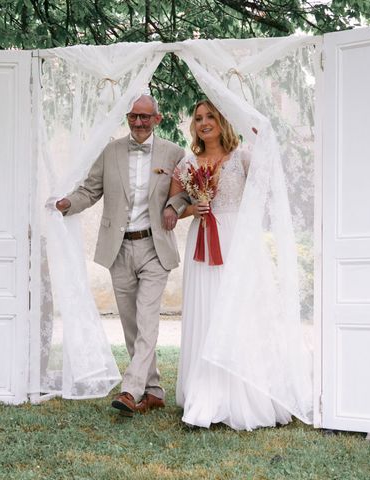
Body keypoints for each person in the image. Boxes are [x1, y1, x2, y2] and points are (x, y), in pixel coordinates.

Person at [55, 94, 186, 416]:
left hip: (155, 248)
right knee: (131, 324)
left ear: (158, 118)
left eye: (145, 117)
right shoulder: (111, 152)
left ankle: (130, 390)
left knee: (147, 319)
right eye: (133, 117)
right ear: (127, 118)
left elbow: (184, 191)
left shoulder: (174, 153)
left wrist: (173, 206)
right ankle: (153, 390)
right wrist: (66, 205)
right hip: (118, 247)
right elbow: (90, 190)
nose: (138, 123)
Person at [168, 99, 293, 430]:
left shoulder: (243, 157)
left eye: (210, 116)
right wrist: (191, 210)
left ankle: (245, 391)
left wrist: (262, 141)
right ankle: (205, 392)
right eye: (197, 118)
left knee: (239, 313)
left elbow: (267, 186)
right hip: (203, 245)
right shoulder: (187, 163)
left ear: (223, 121)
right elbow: (175, 205)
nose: (204, 122)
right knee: (206, 313)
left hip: (238, 244)